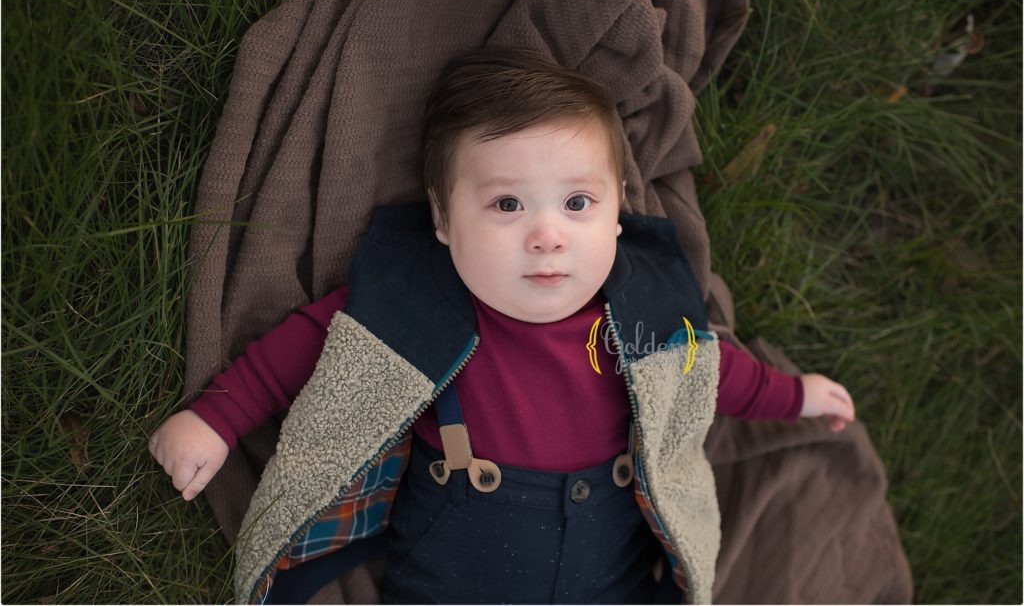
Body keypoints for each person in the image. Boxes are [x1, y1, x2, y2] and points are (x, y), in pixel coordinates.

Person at [150, 49, 856, 604]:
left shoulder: (636, 323)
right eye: (508, 205)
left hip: (609, 583)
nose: (547, 236)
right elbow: (299, 351)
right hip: (448, 583)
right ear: (442, 220)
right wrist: (217, 419)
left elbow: (712, 376)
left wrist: (798, 397)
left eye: (577, 203)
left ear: (617, 216)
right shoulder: (409, 309)